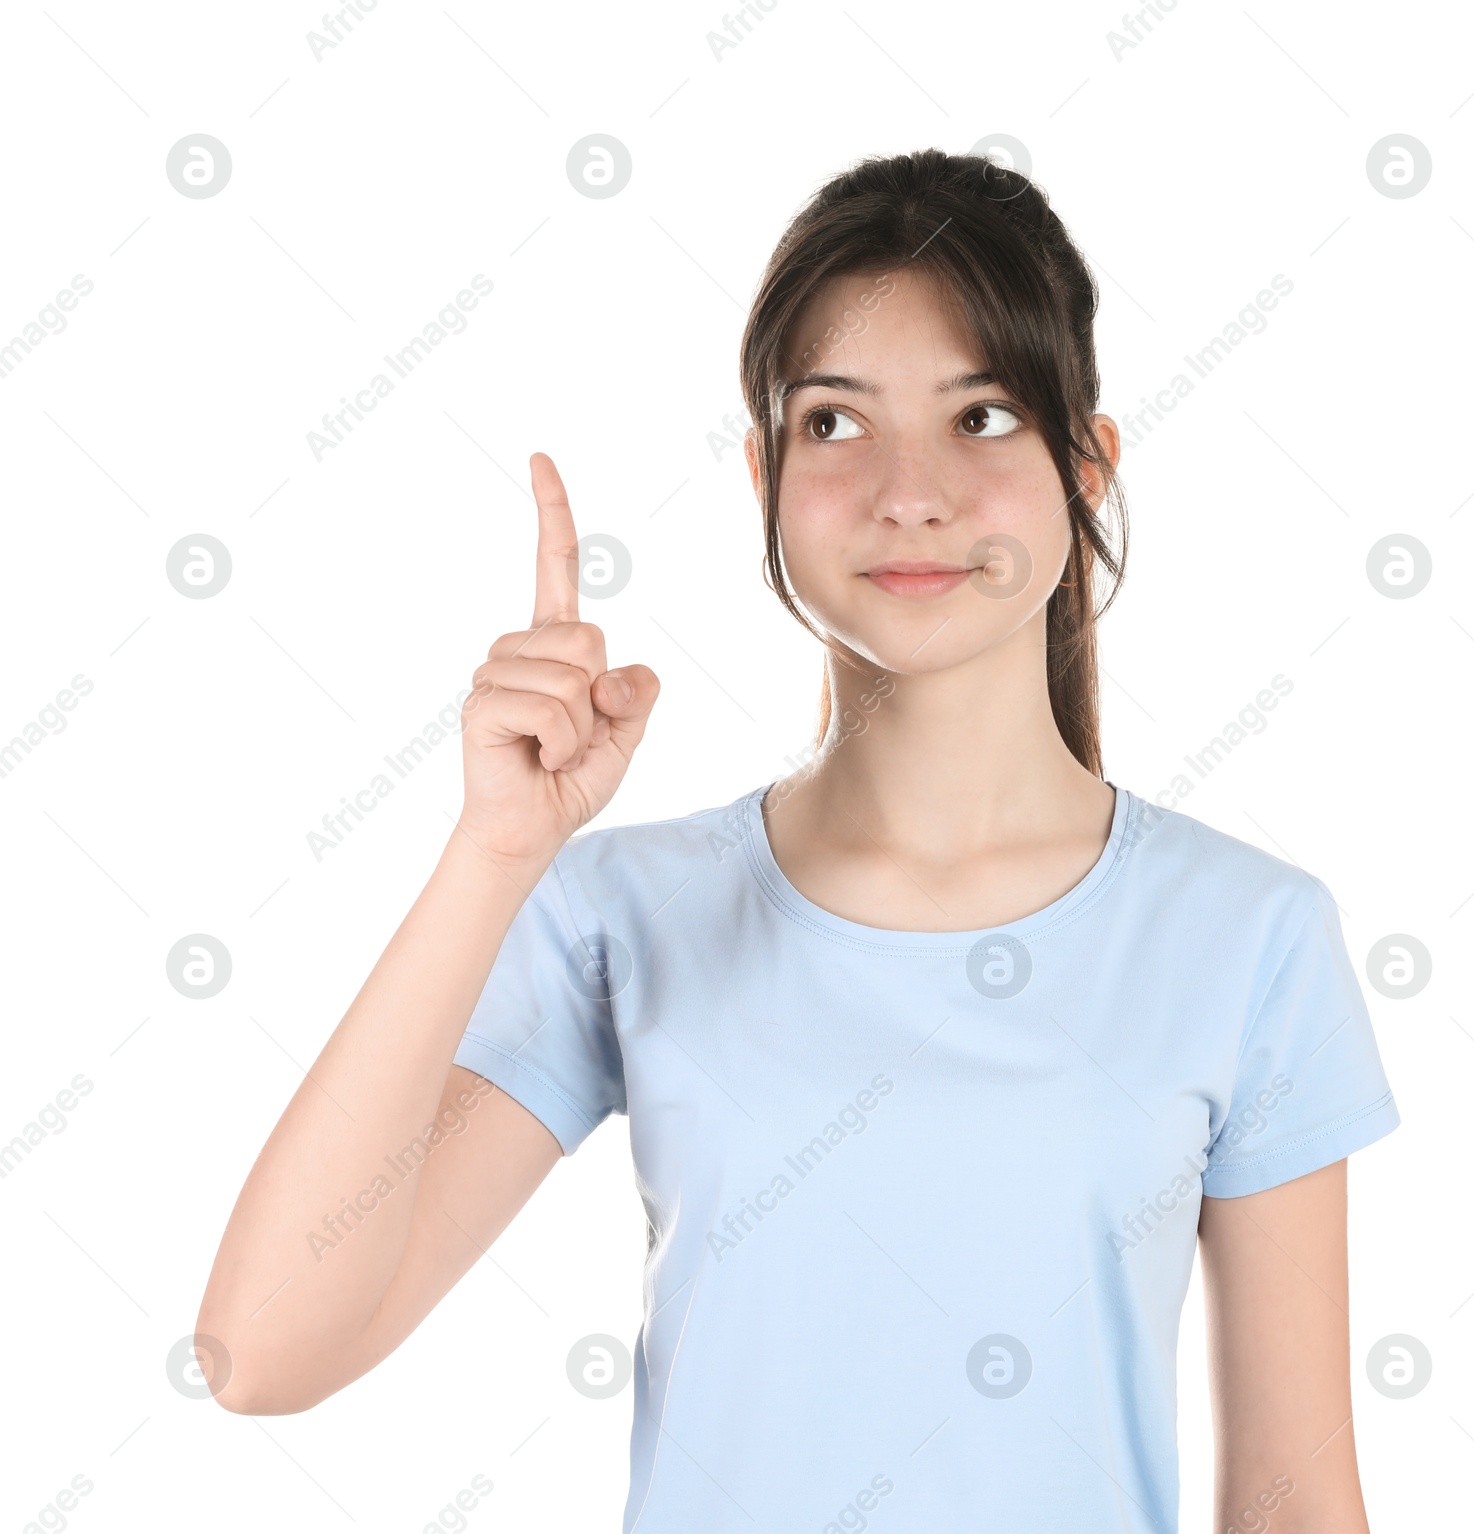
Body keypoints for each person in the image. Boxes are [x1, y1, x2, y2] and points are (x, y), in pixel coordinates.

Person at [197, 149, 1400, 1533]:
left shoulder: (1249, 936)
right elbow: (260, 1352)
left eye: (985, 414)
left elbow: (1296, 1498)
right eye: (836, 424)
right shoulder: (627, 909)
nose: (909, 492)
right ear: (764, 470)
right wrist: (490, 853)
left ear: (1087, 468)